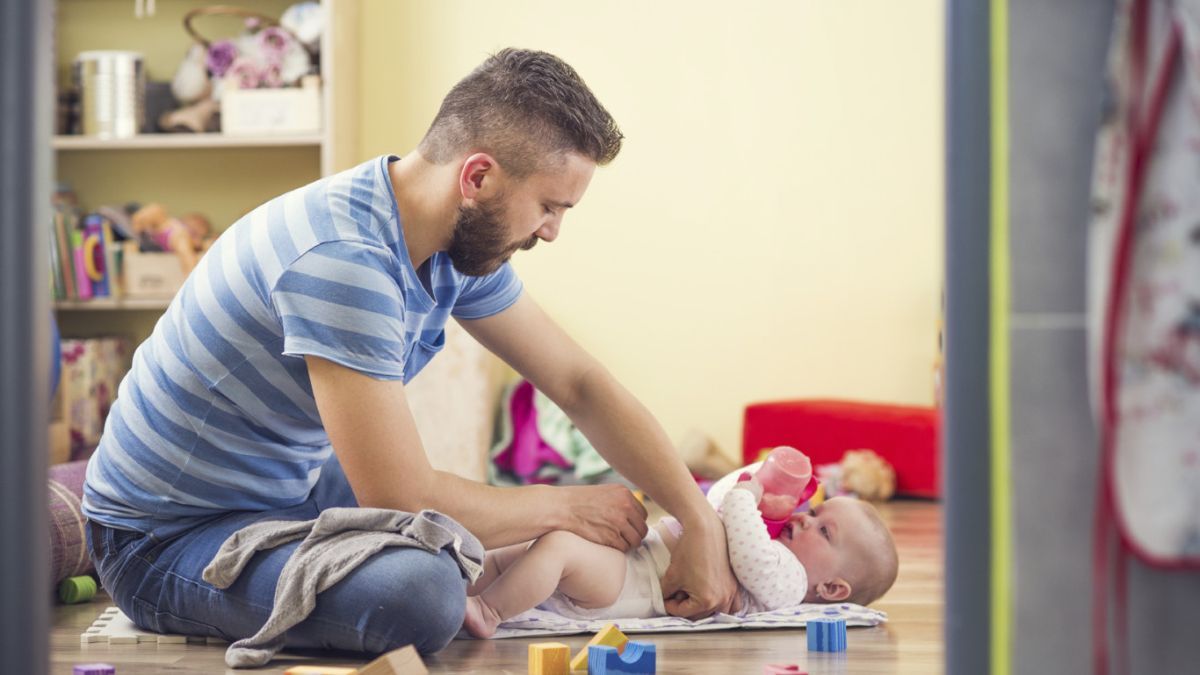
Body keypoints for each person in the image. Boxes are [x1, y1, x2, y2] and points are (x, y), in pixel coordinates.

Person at [81, 48, 740, 656]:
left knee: (462, 533)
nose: (552, 231)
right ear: (478, 175)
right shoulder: (344, 260)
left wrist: (696, 517)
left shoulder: (451, 245)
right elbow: (400, 491)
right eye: (548, 206)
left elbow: (579, 382)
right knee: (423, 590)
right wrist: (566, 504)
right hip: (161, 541)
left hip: (285, 490)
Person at [462, 478, 900, 638]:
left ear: (832, 589)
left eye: (824, 531)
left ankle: (488, 609)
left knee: (558, 548)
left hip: (635, 586)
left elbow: (746, 548)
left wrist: (749, 496)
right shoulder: (778, 549)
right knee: (528, 550)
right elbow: (717, 500)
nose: (805, 519)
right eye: (814, 512)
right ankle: (465, 586)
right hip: (635, 561)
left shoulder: (785, 581)